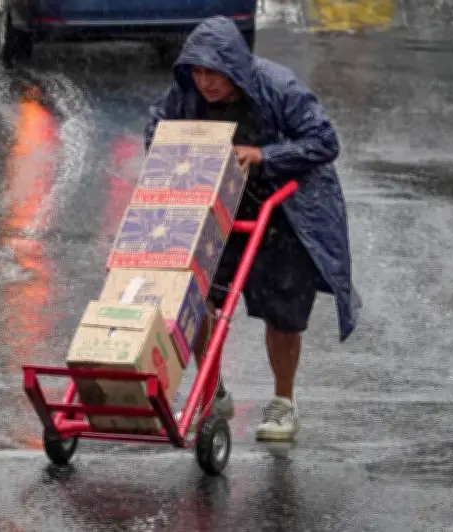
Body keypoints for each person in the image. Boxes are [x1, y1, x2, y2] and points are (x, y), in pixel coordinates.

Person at [145, 16, 362, 441]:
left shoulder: (278, 87)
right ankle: (212, 388)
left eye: (215, 73)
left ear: (236, 70)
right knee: (197, 296)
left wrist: (265, 155)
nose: (205, 82)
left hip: (284, 209)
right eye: (199, 71)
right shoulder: (186, 91)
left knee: (283, 311)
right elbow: (157, 126)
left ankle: (284, 403)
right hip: (220, 205)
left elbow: (324, 141)